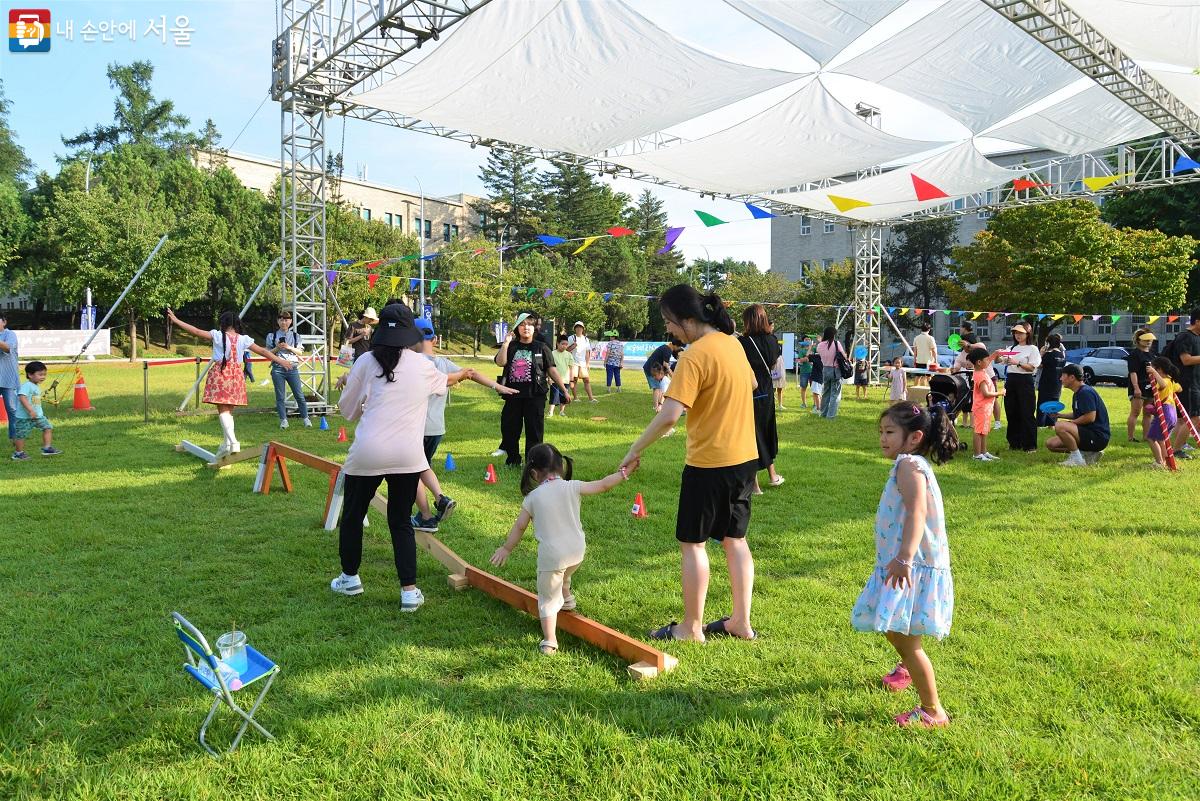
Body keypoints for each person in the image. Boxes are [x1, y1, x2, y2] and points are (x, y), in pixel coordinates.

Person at [620, 284, 758, 643]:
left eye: (669, 322)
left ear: (687, 319)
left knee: (693, 544)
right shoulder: (734, 344)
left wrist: (635, 447)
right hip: (743, 460)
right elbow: (754, 383)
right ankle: (741, 622)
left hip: (709, 463)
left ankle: (690, 628)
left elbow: (669, 415)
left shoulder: (695, 356)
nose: (668, 330)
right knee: (735, 540)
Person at [330, 304, 446, 611]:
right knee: (400, 522)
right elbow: (442, 385)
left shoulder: (367, 360)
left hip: (368, 451)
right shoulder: (423, 365)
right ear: (410, 334)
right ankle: (409, 592)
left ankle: (350, 578)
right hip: (407, 454)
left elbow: (348, 409)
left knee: (353, 516)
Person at [852, 402, 957, 728]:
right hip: (904, 562)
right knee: (897, 629)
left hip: (911, 564)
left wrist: (905, 558)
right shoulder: (911, 463)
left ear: (914, 437)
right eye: (881, 432)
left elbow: (917, 513)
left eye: (890, 432)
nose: (883, 438)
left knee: (905, 639)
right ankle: (906, 668)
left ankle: (932, 711)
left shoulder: (908, 466)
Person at [490, 443, 632, 655]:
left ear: (534, 472)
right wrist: (624, 473)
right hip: (577, 552)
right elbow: (603, 485)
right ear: (561, 467)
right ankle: (566, 597)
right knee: (564, 574)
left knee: (547, 598)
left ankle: (550, 640)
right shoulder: (572, 486)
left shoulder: (532, 498)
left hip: (553, 557)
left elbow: (520, 527)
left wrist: (506, 548)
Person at [411, 317, 517, 532]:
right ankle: (439, 499)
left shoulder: (412, 364)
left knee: (411, 473)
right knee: (423, 467)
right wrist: (497, 386)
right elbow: (471, 372)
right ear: (433, 339)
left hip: (415, 429)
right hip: (436, 429)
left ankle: (425, 516)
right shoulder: (442, 364)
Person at [166, 308, 293, 459]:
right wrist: (281, 361)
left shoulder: (218, 335)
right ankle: (226, 443)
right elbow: (263, 351)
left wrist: (176, 320)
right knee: (229, 411)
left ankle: (233, 441)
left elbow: (196, 331)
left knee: (223, 410)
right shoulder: (243, 339)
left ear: (223, 323)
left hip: (221, 374)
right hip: (236, 376)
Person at [493, 312, 572, 466]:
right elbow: (500, 362)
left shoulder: (541, 347)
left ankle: (533, 462)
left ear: (534, 328)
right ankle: (513, 460)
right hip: (512, 394)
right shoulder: (511, 346)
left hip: (535, 395)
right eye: (522, 325)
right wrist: (505, 343)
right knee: (509, 429)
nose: (526, 327)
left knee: (534, 431)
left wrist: (564, 389)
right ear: (517, 328)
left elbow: (552, 370)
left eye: (529, 324)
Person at [738, 304, 784, 494]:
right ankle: (772, 475)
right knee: (766, 431)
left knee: (751, 435)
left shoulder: (743, 342)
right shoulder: (773, 340)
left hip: (748, 390)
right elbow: (773, 363)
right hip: (767, 390)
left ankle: (755, 485)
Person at [1046, 363, 1110, 467]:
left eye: (1063, 375)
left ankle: (1077, 460)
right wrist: (1060, 415)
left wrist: (1070, 424)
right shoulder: (1078, 392)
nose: (1061, 378)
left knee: (1060, 426)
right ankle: (1089, 454)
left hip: (1098, 437)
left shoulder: (1085, 392)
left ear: (1072, 377)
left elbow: (1090, 417)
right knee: (1051, 444)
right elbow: (1079, 414)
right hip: (1088, 434)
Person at [998, 322, 1040, 452]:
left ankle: (1030, 445)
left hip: (1025, 381)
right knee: (1011, 412)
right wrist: (999, 356)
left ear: (1028, 334)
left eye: (1021, 333)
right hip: (1011, 380)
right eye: (1016, 333)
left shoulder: (1032, 348)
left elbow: (1032, 367)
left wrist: (1018, 363)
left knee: (1027, 412)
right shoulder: (1011, 348)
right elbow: (1001, 361)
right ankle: (1014, 443)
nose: (1018, 335)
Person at [266, 309, 312, 429]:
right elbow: (268, 353)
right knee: (280, 396)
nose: (283, 322)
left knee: (299, 394)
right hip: (277, 368)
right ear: (278, 321)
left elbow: (300, 352)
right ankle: (283, 420)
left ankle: (306, 419)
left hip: (292, 368)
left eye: (286, 320)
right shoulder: (272, 336)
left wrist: (289, 347)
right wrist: (277, 348)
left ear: (290, 321)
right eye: (281, 319)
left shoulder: (296, 336)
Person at [11, 360, 62, 460]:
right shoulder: (27, 386)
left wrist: (38, 413)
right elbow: (22, 397)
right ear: (30, 375)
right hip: (24, 417)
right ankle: (18, 453)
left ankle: (47, 448)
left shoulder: (35, 386)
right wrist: (30, 410)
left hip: (37, 416)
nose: (43, 377)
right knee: (21, 435)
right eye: (40, 374)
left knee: (48, 427)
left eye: (44, 374)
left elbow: (35, 402)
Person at [1168, 310, 1200, 458]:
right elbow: (1186, 360)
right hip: (1187, 384)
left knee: (1182, 419)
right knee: (1193, 417)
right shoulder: (1185, 337)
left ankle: (1174, 447)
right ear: (1197, 321)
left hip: (1194, 382)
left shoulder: (1197, 337)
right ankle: (1176, 450)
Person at [1145, 357, 1182, 470]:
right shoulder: (1171, 380)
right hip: (1172, 413)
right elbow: (1179, 388)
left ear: (1159, 369)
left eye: (1155, 368)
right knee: (1161, 439)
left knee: (1151, 438)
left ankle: (1159, 462)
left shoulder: (1165, 381)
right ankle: (1166, 461)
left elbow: (1163, 385)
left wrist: (1153, 372)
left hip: (1165, 412)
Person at [967, 349, 1003, 462]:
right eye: (986, 360)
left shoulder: (981, 371)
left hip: (986, 408)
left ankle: (984, 452)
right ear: (979, 362)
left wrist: (995, 354)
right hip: (981, 408)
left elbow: (989, 359)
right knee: (978, 431)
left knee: (984, 430)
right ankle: (977, 455)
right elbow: (986, 393)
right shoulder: (980, 375)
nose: (989, 362)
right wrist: (1000, 393)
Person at [1125, 329, 1155, 442]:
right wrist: (1136, 387)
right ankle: (1130, 437)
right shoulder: (1134, 354)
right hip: (1139, 387)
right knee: (1135, 412)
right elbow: (1133, 372)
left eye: (1150, 339)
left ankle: (1146, 437)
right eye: (1145, 339)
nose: (1148, 341)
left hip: (1150, 387)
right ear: (1138, 340)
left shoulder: (1152, 355)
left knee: (1148, 413)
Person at [816, 326, 847, 419]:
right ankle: (831, 415)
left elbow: (819, 353)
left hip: (825, 369)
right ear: (833, 335)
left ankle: (823, 413)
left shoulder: (820, 345)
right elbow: (844, 356)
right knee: (835, 394)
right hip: (835, 370)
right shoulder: (836, 343)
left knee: (825, 392)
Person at [1037, 333, 1066, 428]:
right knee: (1054, 403)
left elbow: (1039, 365)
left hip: (1046, 382)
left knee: (1043, 403)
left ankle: (1040, 424)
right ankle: (1052, 424)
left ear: (1048, 343)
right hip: (1058, 383)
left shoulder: (1049, 354)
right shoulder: (1061, 355)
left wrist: (1041, 354)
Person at [643, 339, 680, 411]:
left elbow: (665, 365)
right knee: (657, 388)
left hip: (655, 369)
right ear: (675, 345)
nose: (679, 349)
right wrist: (672, 376)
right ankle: (656, 407)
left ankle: (660, 405)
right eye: (679, 347)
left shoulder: (666, 348)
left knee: (660, 387)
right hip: (651, 369)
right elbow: (665, 364)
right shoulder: (668, 350)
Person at [0, 313, 19, 448]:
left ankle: (15, 438)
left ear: (4, 322)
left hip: (8, 377)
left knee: (12, 408)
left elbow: (8, 348)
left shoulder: (10, 334)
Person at [567, 321, 597, 403]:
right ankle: (575, 398)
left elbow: (587, 352)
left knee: (586, 380)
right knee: (574, 380)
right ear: (575, 328)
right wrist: (573, 346)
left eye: (580, 327)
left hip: (583, 363)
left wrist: (587, 363)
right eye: (577, 327)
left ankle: (591, 398)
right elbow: (566, 350)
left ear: (583, 329)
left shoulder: (586, 339)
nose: (579, 328)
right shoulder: (571, 338)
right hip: (573, 362)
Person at [549, 335, 573, 417]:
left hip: (566, 380)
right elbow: (549, 368)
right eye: (563, 344)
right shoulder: (552, 354)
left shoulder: (569, 355)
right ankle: (551, 412)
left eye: (566, 344)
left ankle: (562, 412)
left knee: (564, 397)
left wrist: (571, 380)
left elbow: (571, 368)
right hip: (555, 380)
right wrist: (549, 378)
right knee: (554, 396)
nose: (564, 346)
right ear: (557, 343)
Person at [912, 323, 937, 387]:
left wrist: (914, 360)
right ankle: (930, 391)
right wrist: (936, 361)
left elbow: (915, 351)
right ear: (929, 329)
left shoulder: (916, 338)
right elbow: (934, 350)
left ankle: (915, 391)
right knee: (929, 377)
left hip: (919, 361)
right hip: (929, 361)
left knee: (918, 377)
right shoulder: (931, 338)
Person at [795, 340, 813, 409]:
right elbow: (800, 360)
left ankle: (815, 404)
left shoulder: (814, 349)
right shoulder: (802, 350)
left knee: (814, 389)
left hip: (813, 372)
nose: (808, 341)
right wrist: (806, 358)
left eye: (809, 340)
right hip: (804, 372)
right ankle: (804, 403)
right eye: (806, 340)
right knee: (803, 388)